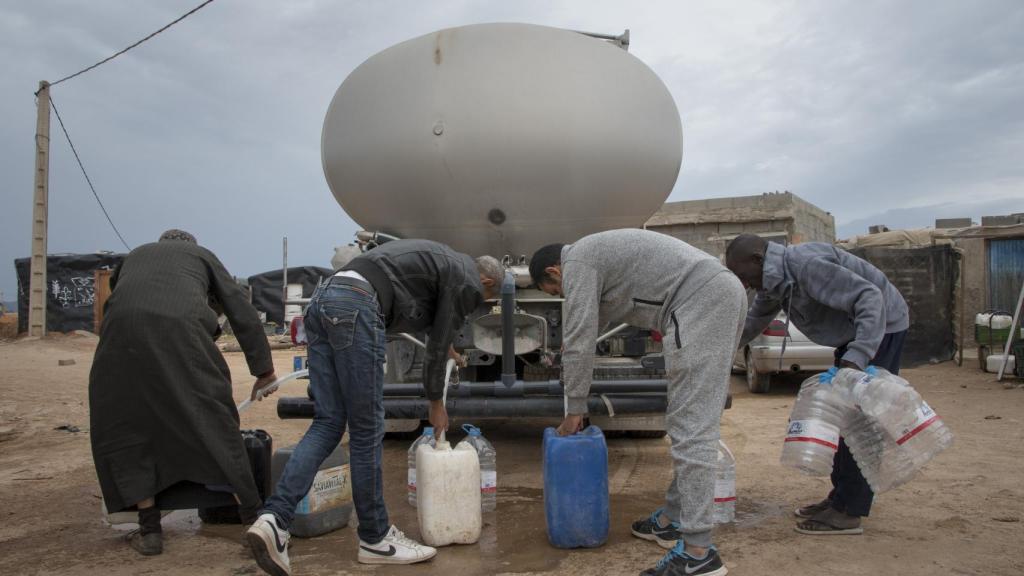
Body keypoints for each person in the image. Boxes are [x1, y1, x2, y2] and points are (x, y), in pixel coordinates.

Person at [247, 239, 502, 576]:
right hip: (357, 303)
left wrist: (449, 348)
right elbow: (437, 344)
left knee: (328, 422)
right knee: (367, 429)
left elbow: (434, 323)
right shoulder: (467, 278)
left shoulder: (444, 260)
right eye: (484, 298)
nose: (477, 304)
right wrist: (436, 403)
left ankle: (273, 519)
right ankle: (375, 537)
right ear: (486, 281)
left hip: (323, 299)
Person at [530, 229, 745, 576]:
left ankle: (698, 554)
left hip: (699, 300)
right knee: (691, 422)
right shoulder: (594, 254)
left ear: (555, 271)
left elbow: (580, 340)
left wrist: (575, 409)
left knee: (692, 429)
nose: (563, 296)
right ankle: (674, 519)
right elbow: (589, 324)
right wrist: (576, 344)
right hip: (716, 293)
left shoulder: (578, 262)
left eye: (557, 291)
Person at [90, 230, 277, 556]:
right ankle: (253, 523)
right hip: (181, 336)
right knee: (214, 423)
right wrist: (264, 371)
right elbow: (240, 308)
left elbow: (124, 297)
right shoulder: (201, 255)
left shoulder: (134, 256)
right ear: (190, 245)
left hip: (117, 341)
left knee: (131, 427)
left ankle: (150, 530)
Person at [725, 233, 909, 536]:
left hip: (880, 330)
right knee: (841, 416)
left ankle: (849, 511)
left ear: (758, 260)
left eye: (743, 276)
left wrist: (858, 356)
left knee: (860, 421)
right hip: (853, 334)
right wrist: (720, 349)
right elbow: (755, 318)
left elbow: (870, 297)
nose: (744, 284)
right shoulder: (774, 279)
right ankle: (840, 498)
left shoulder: (806, 265)